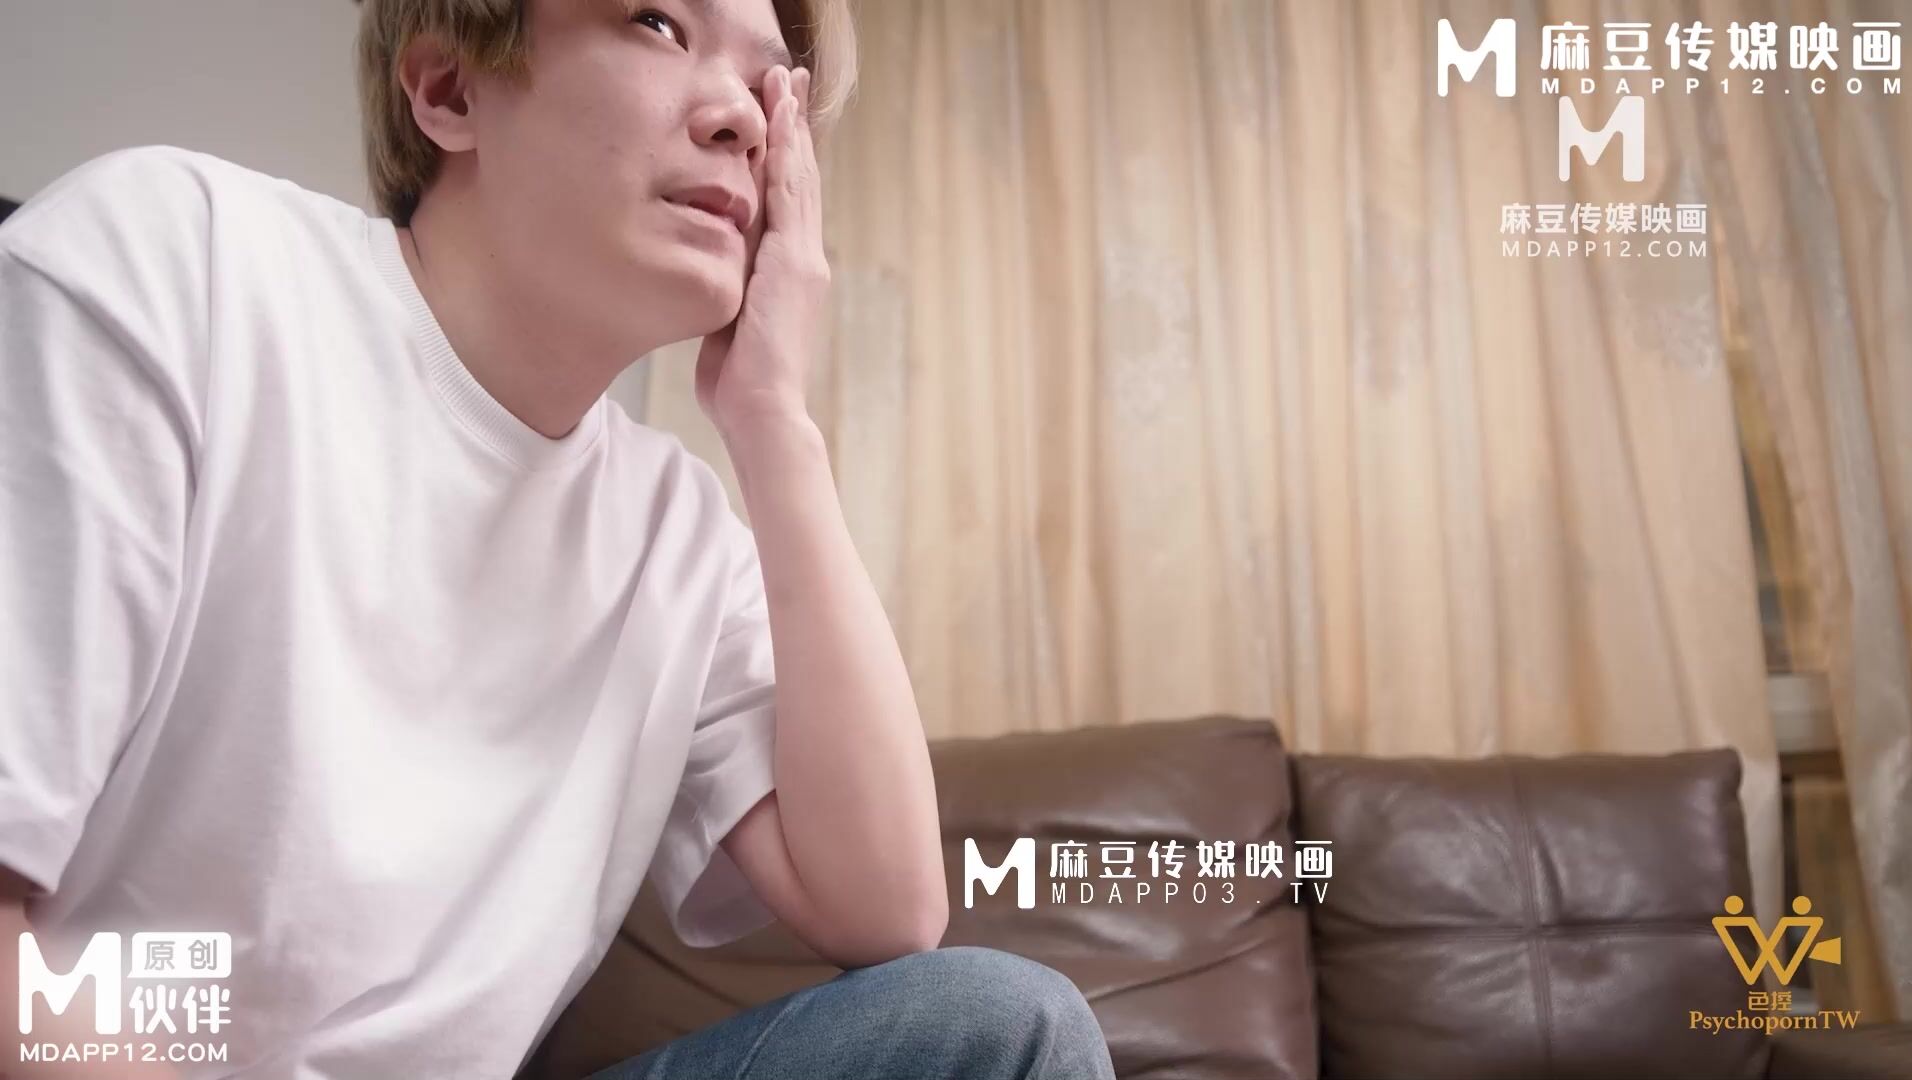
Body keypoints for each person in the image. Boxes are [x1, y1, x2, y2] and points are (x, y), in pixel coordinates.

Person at [0, 0, 1116, 1076]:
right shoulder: (176, 261)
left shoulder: (677, 535)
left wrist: (776, 422)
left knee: (1000, 1028)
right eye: (658, 23)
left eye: (771, 83)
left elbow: (888, 911)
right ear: (449, 87)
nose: (742, 117)